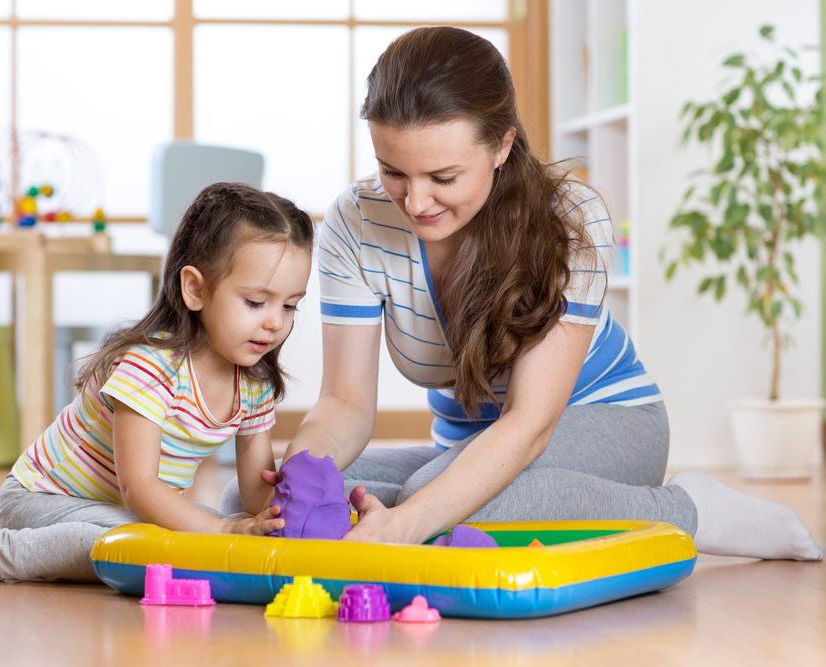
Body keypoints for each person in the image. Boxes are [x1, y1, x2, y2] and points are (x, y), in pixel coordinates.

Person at [221, 27, 823, 561]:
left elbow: (530, 424)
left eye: (445, 177)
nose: (417, 201)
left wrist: (409, 521)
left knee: (435, 507)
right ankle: (417, 508)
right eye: (394, 171)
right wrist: (305, 473)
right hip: (467, 442)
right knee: (249, 498)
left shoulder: (571, 219)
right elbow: (345, 405)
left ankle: (690, 511)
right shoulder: (356, 221)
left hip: (602, 421)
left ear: (502, 146)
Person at [0, 182, 314, 582]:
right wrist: (223, 532)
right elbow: (140, 486)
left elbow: (257, 492)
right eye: (256, 302)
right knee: (149, 544)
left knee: (207, 531)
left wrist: (282, 520)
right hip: (43, 499)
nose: (275, 322)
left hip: (120, 509)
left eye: (291, 306)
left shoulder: (254, 382)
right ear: (195, 290)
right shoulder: (151, 368)